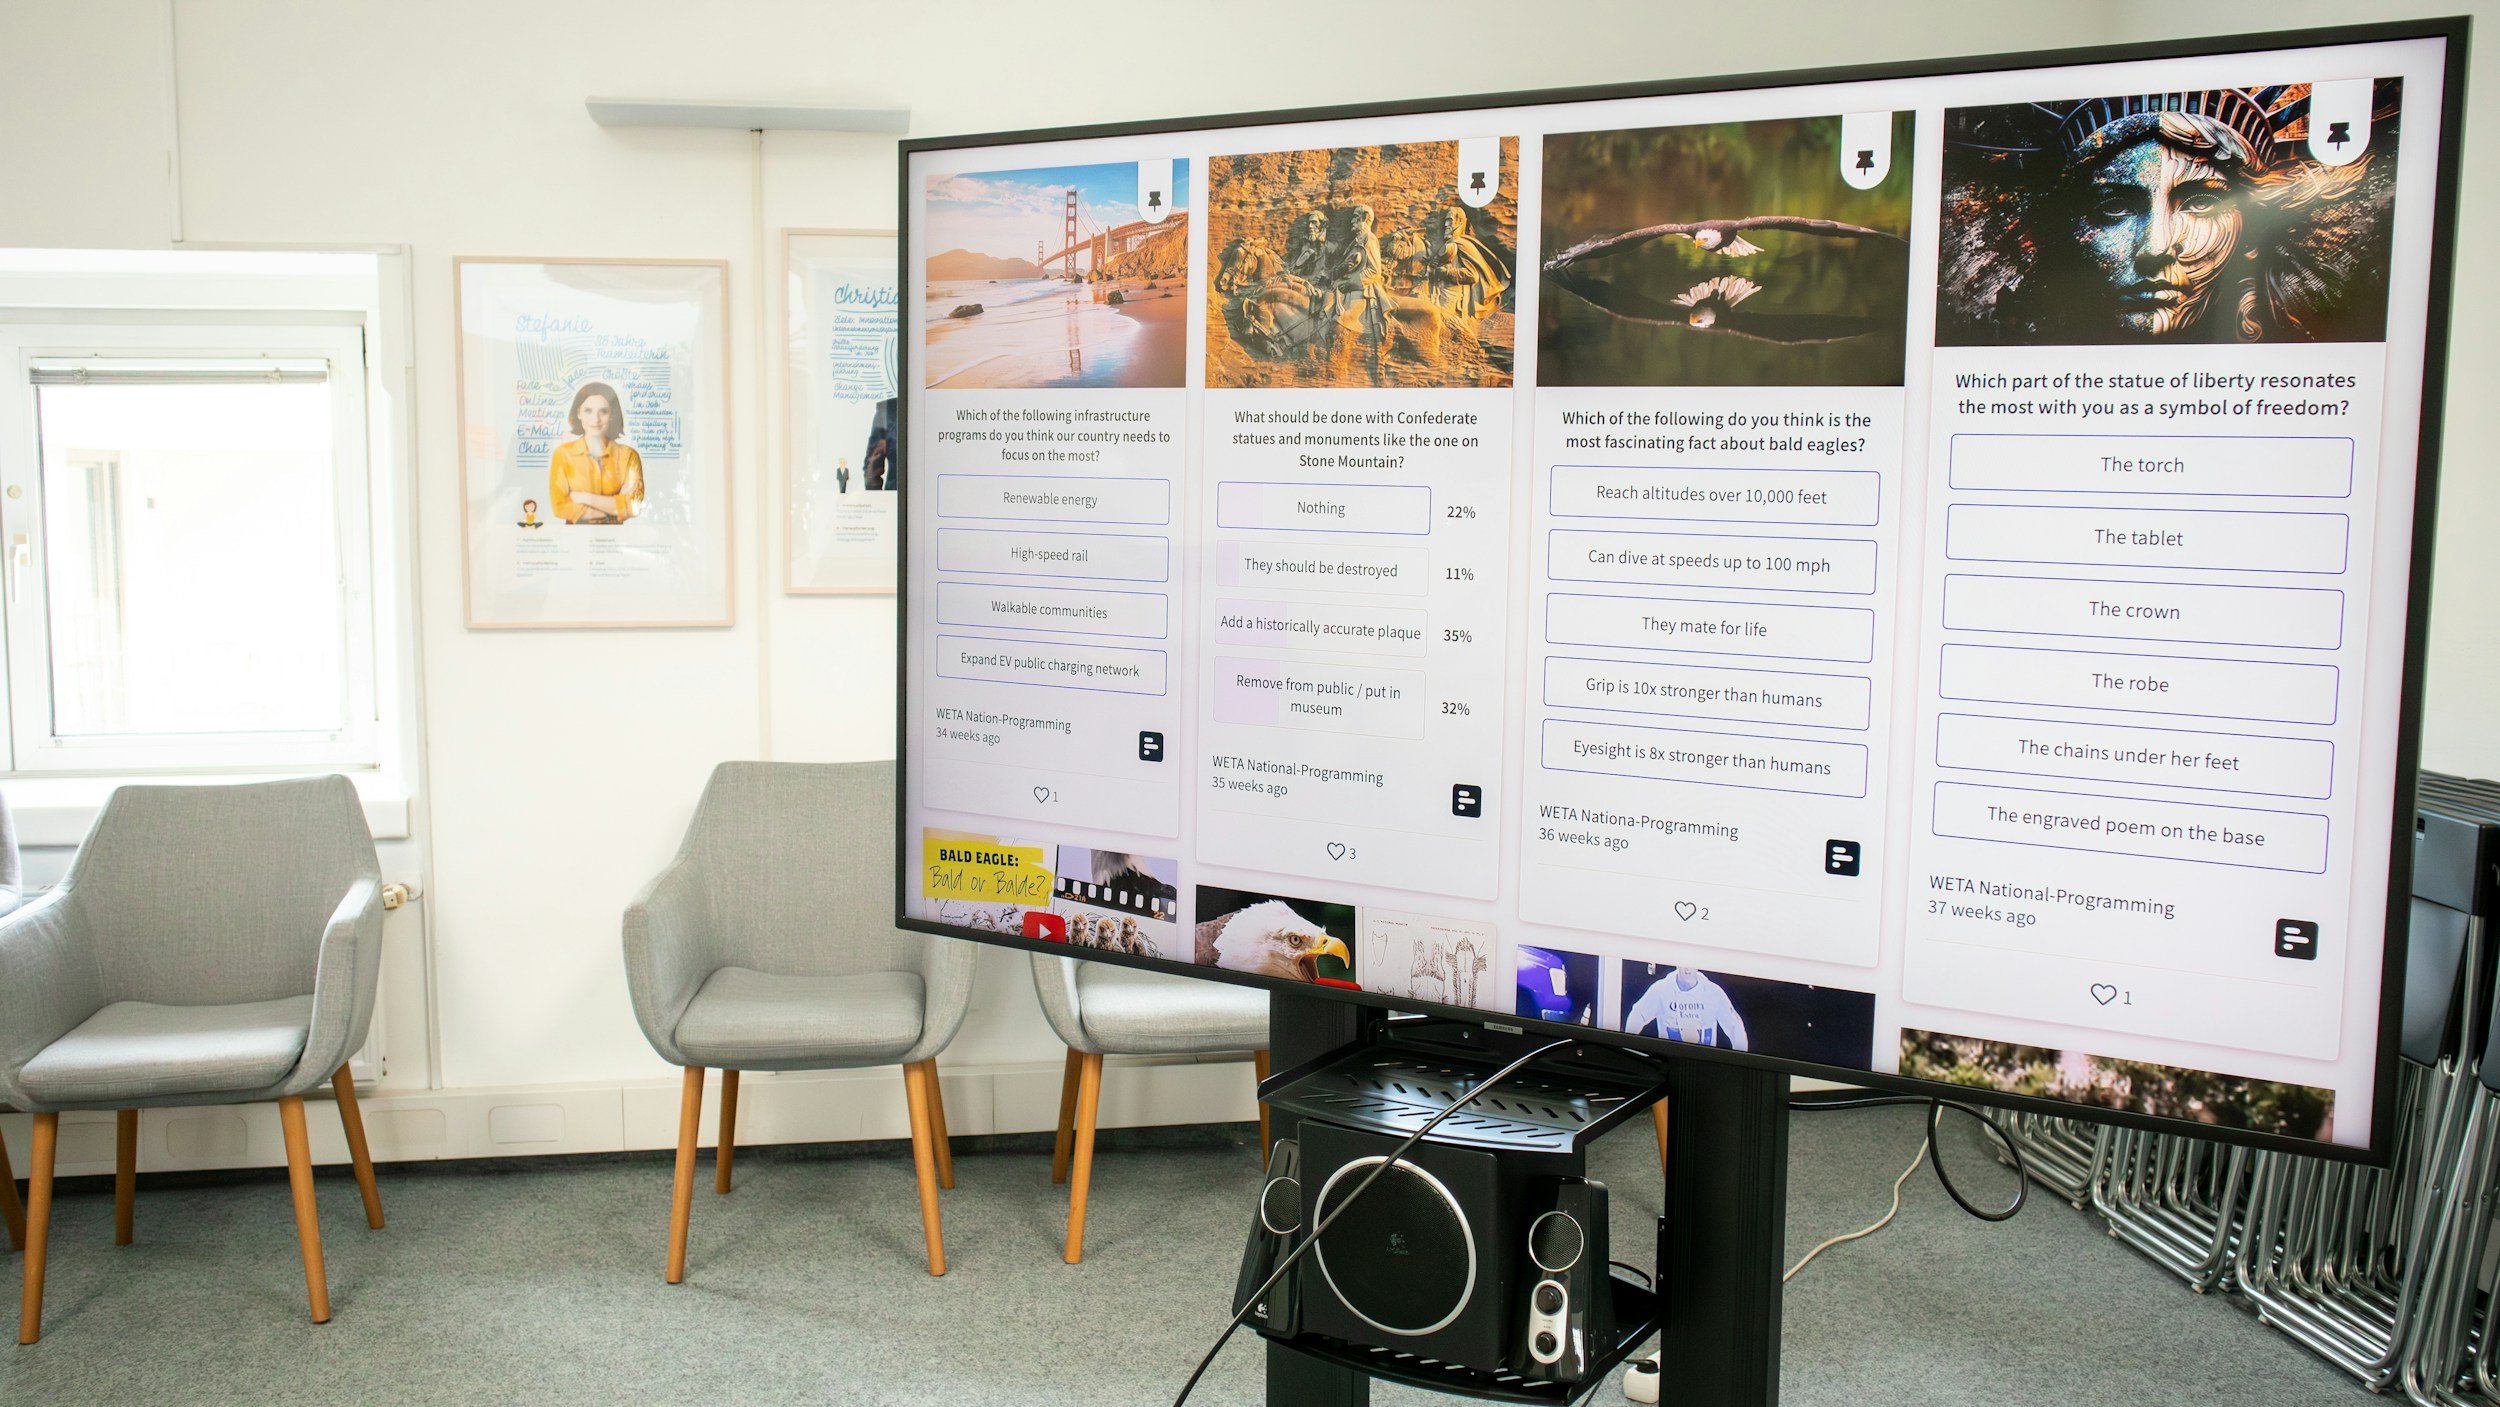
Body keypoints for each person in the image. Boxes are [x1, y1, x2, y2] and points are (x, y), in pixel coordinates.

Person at [548, 381, 643, 524]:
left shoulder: (629, 456)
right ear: (578, 413)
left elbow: (633, 506)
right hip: (575, 539)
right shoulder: (563, 454)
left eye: (603, 411)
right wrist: (615, 508)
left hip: (615, 540)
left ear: (612, 415)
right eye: (588, 411)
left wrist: (583, 497)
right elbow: (560, 507)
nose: (595, 419)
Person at [1624, 966, 1749, 1051]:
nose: (1687, 967)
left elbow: (1735, 1027)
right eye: (1683, 961)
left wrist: (1741, 1061)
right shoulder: (1661, 989)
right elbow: (1638, 1014)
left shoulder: (1713, 992)